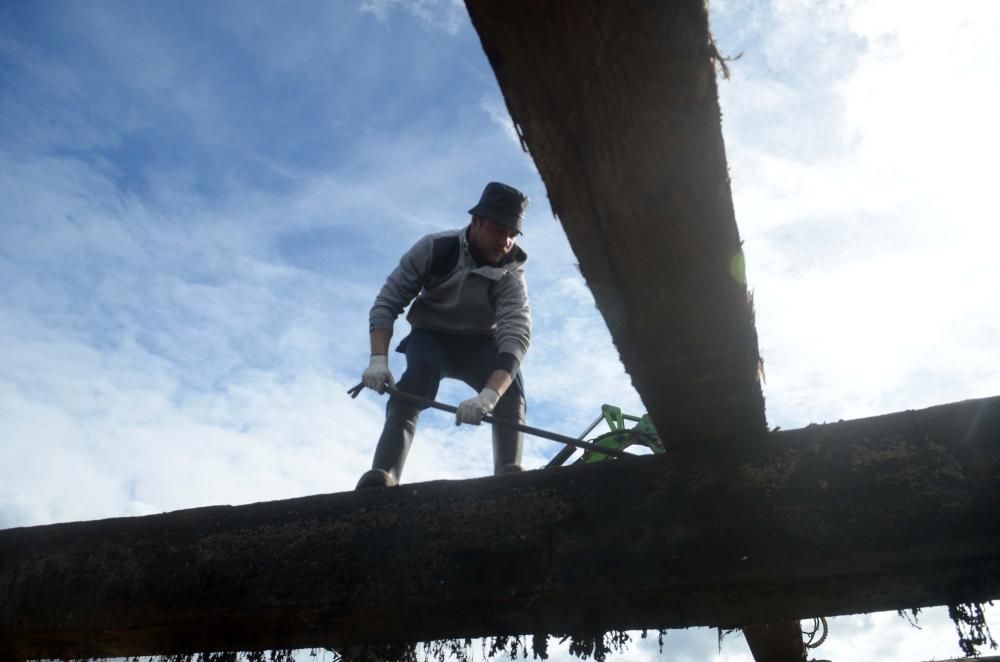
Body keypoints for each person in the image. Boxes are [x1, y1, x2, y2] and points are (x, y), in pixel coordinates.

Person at [357, 182, 532, 489]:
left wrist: (489, 397)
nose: (505, 241)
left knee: (511, 392)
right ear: (475, 221)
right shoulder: (435, 249)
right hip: (431, 336)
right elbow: (388, 302)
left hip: (479, 344)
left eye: (512, 234)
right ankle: (386, 475)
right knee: (416, 380)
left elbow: (516, 336)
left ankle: (508, 474)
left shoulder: (511, 275)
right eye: (497, 229)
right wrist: (377, 360)